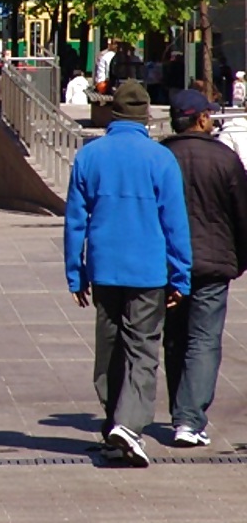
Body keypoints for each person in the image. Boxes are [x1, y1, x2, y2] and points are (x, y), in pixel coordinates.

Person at [64, 80, 192, 467]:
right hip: (148, 270)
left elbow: (74, 220)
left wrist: (75, 272)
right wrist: (181, 275)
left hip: (104, 268)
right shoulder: (160, 159)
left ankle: (112, 420)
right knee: (142, 348)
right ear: (145, 118)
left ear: (113, 114)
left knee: (109, 346)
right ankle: (130, 425)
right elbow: (175, 224)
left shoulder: (90, 156)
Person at [161, 90, 247, 448]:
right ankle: (189, 418)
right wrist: (240, 259)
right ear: (199, 119)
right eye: (209, 115)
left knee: (175, 338)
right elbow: (243, 214)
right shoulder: (225, 159)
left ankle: (180, 411)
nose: (213, 120)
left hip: (168, 265)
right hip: (213, 263)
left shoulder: (163, 156)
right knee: (204, 340)